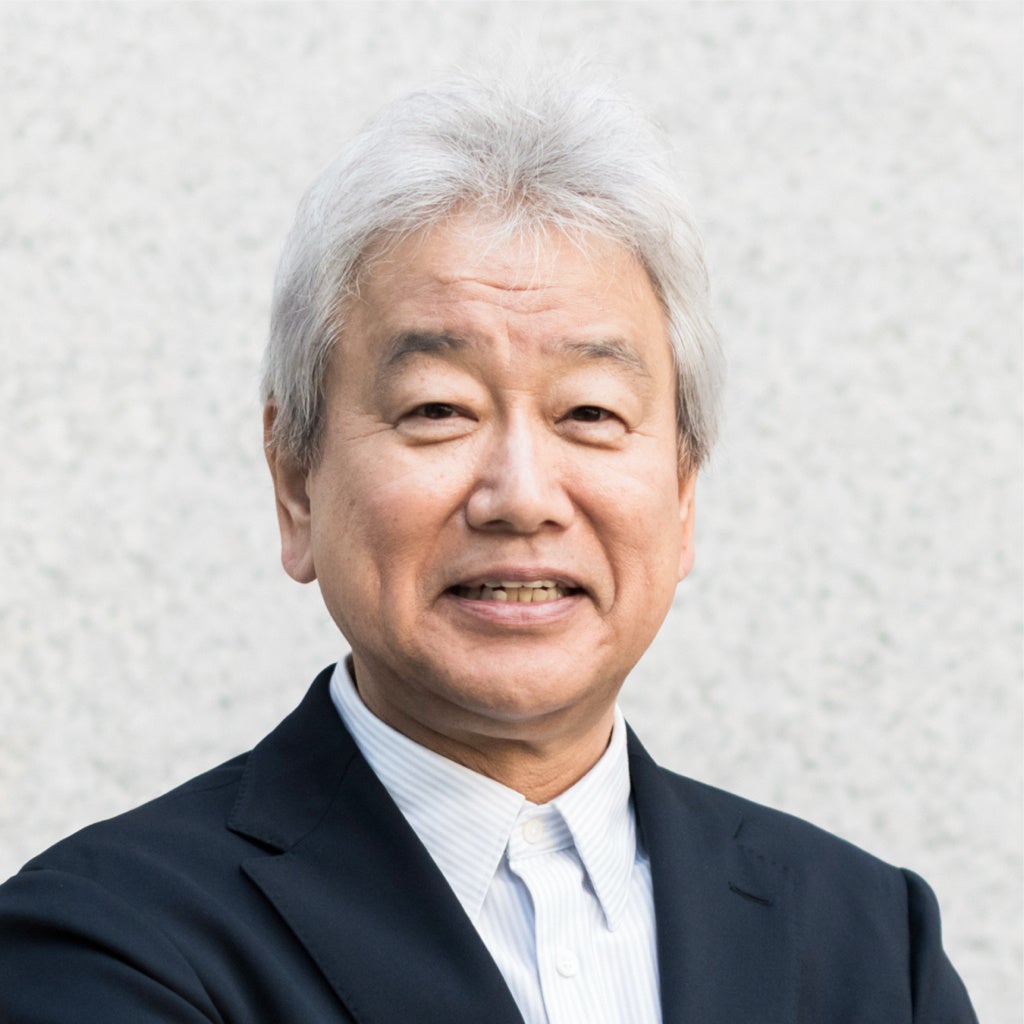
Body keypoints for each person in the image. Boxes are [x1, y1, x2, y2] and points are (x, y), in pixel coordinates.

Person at [0, 69, 976, 1024]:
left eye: (589, 412)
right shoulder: (106, 941)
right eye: (438, 409)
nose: (522, 497)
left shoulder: (868, 944)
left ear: (683, 494)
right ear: (296, 482)